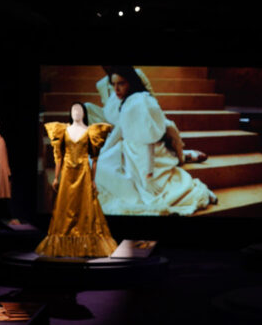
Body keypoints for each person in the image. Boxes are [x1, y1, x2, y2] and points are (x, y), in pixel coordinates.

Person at [93, 65, 217, 216]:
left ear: (130, 82)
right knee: (100, 165)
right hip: (130, 147)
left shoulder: (139, 102)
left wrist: (148, 175)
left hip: (143, 151)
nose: (116, 89)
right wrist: (102, 152)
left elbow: (148, 142)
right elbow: (120, 129)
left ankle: (196, 191)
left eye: (121, 84)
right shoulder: (126, 100)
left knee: (149, 190)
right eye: (114, 84)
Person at [36, 102, 118, 257]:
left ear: (84, 113)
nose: (76, 112)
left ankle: (86, 244)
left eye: (79, 110)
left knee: (85, 206)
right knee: (65, 206)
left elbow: (95, 158)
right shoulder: (63, 130)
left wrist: (93, 180)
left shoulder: (90, 131)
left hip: (83, 173)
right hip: (67, 173)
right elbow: (58, 156)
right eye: (73, 110)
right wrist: (56, 177)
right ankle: (63, 244)